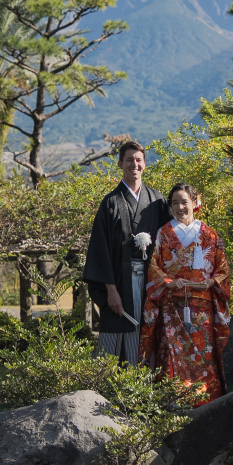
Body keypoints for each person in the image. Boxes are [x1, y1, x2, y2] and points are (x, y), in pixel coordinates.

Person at [138, 182, 231, 401]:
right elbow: (153, 265)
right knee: (172, 353)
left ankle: (206, 401)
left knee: (204, 353)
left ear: (196, 203)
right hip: (172, 305)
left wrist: (211, 283)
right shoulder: (164, 233)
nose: (180, 207)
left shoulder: (210, 234)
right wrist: (168, 281)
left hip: (202, 307)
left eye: (185, 202)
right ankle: (174, 401)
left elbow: (223, 268)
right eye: (175, 203)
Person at [83, 140, 171, 364]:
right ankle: (111, 386)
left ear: (145, 164)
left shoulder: (157, 201)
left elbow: (172, 238)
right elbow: (100, 250)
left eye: (139, 160)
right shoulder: (111, 203)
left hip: (152, 282)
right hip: (119, 281)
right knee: (118, 326)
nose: (135, 164)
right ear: (120, 163)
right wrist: (110, 289)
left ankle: (145, 386)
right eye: (130, 160)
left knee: (150, 326)